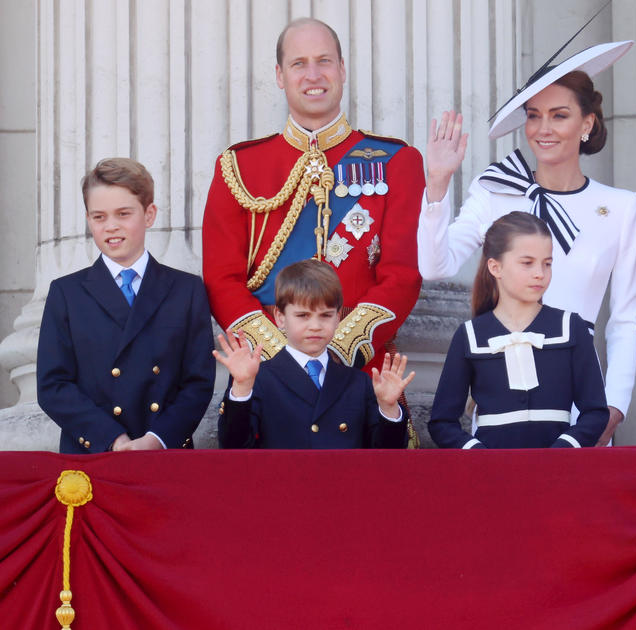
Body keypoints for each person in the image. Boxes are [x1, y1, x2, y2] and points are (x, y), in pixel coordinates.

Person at [418, 41, 636, 445]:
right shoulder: (496, 190)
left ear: (587, 123)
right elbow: (436, 266)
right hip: (502, 395)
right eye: (534, 116)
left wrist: (613, 407)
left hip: (581, 399)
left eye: (559, 116)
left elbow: (625, 318)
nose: (543, 129)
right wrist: (437, 185)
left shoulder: (621, 207)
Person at [202, 17, 423, 371]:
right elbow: (221, 279)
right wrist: (282, 358)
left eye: (324, 61)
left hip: (360, 375)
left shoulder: (397, 162)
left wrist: (335, 353)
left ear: (342, 69)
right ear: (280, 76)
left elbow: (402, 275)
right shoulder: (238, 167)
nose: (313, 75)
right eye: (298, 64)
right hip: (266, 373)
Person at [37, 158, 216, 453]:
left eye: (123, 214)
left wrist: (157, 439)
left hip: (165, 454)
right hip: (94, 455)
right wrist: (112, 439)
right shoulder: (66, 293)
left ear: (149, 214)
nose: (111, 227)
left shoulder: (187, 290)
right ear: (88, 220)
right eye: (99, 217)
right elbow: (53, 386)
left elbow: (198, 382)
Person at [428, 212, 608, 449]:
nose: (539, 273)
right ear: (495, 267)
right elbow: (442, 422)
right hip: (493, 478)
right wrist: (478, 455)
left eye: (547, 263)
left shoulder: (571, 327)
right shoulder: (470, 335)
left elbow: (595, 412)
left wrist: (564, 449)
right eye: (527, 263)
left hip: (559, 475)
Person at [214, 259, 415, 449]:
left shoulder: (359, 382)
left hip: (345, 484)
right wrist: (240, 390)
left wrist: (388, 409)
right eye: (303, 316)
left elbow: (387, 456)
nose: (315, 326)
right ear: (280, 317)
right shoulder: (258, 379)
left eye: (325, 315)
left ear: (338, 318)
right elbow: (234, 446)